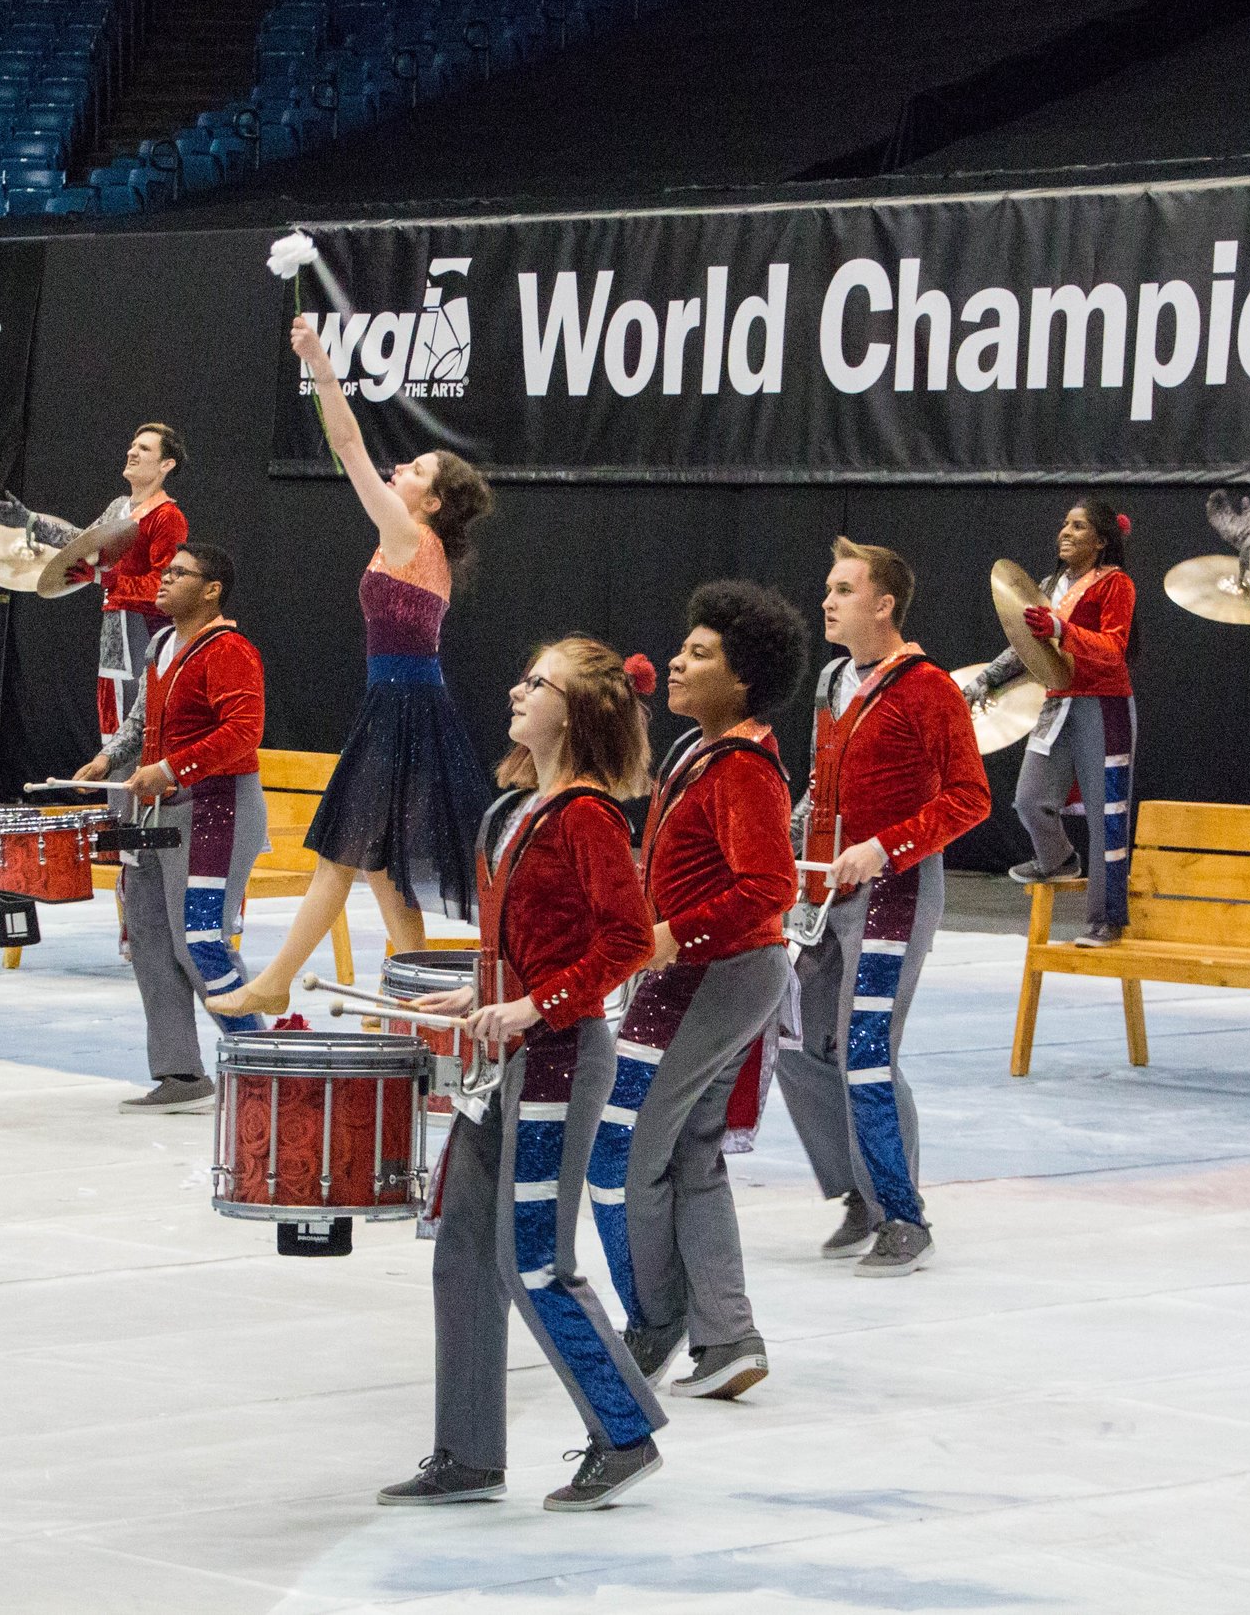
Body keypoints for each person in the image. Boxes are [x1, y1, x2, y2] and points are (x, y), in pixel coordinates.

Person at [380, 636, 664, 1513]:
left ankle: (625, 1431)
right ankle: (468, 1451)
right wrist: (477, 988)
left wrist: (538, 1004)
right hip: (505, 1059)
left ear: (575, 714)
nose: (516, 687)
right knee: (462, 1250)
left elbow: (627, 939)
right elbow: (524, 944)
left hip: (557, 1060)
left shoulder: (585, 815)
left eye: (536, 682)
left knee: (534, 1259)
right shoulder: (515, 810)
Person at [206, 316, 493, 1019]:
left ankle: (276, 977)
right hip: (400, 701)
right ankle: (414, 995)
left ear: (429, 502)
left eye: (417, 470)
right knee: (380, 868)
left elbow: (346, 444)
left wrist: (320, 365)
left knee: (342, 849)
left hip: (403, 704)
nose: (401, 469)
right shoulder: (410, 540)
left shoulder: (409, 536)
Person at [594, 580, 805, 1402]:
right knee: (692, 1152)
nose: (678, 659)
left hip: (710, 976)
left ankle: (657, 1317)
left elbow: (770, 886)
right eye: (683, 646)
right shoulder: (702, 751)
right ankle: (728, 1335)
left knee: (624, 1150)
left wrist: (668, 935)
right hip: (720, 973)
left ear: (743, 676)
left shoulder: (745, 768)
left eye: (700, 652)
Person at [777, 538, 990, 1279]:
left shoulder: (929, 687)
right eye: (827, 586)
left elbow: (970, 799)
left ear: (883, 602)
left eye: (843, 588)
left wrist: (886, 847)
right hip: (822, 890)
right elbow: (820, 783)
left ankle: (904, 1213)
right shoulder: (833, 678)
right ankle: (860, 1194)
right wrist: (786, 835)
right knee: (797, 1043)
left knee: (865, 1051)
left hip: (893, 891)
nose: (827, 600)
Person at [73, 544, 269, 1112]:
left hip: (216, 810)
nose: (163, 580)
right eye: (165, 570)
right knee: (151, 943)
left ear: (212, 590)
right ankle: (181, 1073)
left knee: (201, 942)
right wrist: (110, 760)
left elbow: (241, 735)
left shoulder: (230, 650)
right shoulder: (161, 644)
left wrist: (167, 769)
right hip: (157, 811)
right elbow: (138, 721)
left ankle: (261, 1067)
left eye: (178, 573)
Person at [965, 499, 1139, 946]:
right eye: (1064, 523)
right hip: (1058, 703)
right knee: (1028, 800)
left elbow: (1113, 650)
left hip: (1103, 705)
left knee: (1107, 819)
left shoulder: (1116, 584)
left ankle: (1107, 919)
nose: (1065, 531)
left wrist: (1061, 630)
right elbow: (1027, 647)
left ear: (1101, 542)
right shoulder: (1049, 585)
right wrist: (986, 679)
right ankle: (1059, 858)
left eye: (1078, 526)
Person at [0, 423, 190, 743]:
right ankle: (117, 792)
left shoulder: (167, 516)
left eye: (144, 448)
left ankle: (141, 792)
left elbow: (164, 589)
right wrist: (31, 522)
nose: (132, 452)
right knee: (111, 726)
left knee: (136, 728)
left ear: (166, 465)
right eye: (132, 445)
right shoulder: (119, 507)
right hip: (114, 627)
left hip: (143, 630)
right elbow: (79, 542)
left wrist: (102, 577)